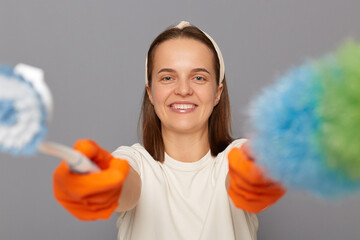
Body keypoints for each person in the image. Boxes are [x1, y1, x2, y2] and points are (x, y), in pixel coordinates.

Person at [53, 21, 286, 240]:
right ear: (151, 93)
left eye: (198, 77)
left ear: (217, 93)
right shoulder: (133, 162)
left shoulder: (236, 157)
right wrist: (102, 185)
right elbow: (124, 185)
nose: (183, 89)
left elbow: (241, 177)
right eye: (167, 77)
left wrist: (256, 176)